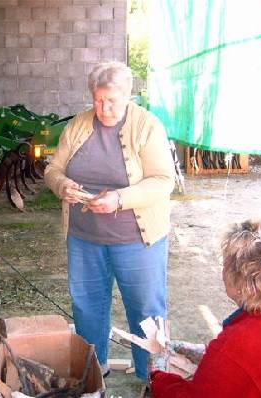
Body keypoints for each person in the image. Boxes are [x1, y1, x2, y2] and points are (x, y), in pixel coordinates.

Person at [44, 61, 175, 380]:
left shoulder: (147, 126)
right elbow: (52, 169)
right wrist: (62, 185)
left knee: (146, 312)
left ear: (128, 95)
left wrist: (119, 199)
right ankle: (93, 373)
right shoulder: (78, 125)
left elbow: (162, 180)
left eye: (111, 101)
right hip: (84, 238)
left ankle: (153, 379)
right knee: (87, 308)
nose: (103, 108)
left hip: (137, 240)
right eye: (98, 100)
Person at [150, 220, 261, 397]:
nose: (222, 270)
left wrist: (158, 377)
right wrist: (208, 353)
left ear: (239, 280)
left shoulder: (236, 345)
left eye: (225, 264)